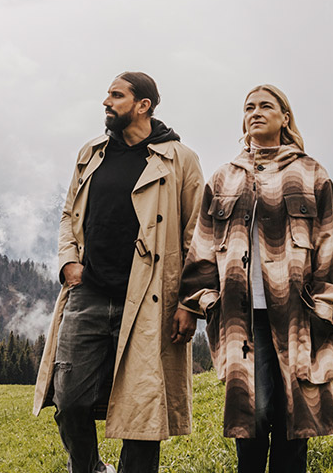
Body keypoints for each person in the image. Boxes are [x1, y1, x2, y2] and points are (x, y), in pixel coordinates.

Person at [176, 85, 333, 473]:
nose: (255, 112)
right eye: (249, 107)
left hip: (299, 318)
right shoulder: (223, 179)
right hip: (242, 321)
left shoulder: (311, 173)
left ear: (284, 118)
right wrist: (207, 301)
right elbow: (202, 248)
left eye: (265, 106)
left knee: (296, 415)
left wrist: (325, 304)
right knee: (252, 415)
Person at [34, 72, 205, 473]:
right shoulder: (91, 153)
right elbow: (69, 213)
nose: (106, 102)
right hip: (88, 291)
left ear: (143, 105)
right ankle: (90, 468)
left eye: (116, 95)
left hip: (150, 299)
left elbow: (197, 235)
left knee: (143, 409)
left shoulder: (180, 159)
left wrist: (190, 304)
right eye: (108, 95)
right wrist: (68, 262)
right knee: (69, 399)